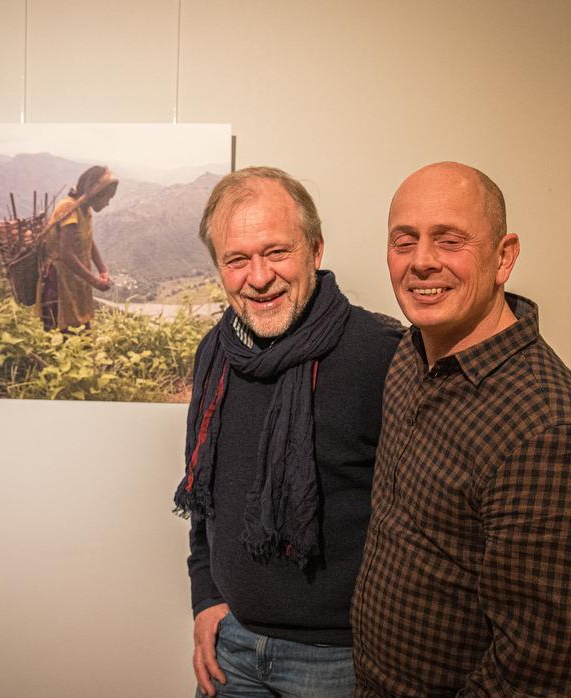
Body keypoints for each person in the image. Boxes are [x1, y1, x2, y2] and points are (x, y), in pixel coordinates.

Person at [352, 162, 571, 697]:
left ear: (504, 257)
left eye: (449, 240)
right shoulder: (412, 355)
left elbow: (535, 671)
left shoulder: (550, 432)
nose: (422, 262)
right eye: (403, 241)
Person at [173, 167, 402, 697]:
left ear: (315, 250)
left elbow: (420, 521)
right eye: (237, 259)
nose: (258, 277)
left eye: (277, 252)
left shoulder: (381, 355)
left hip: (340, 660)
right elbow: (203, 492)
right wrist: (206, 598)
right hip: (232, 649)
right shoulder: (216, 353)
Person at [37, 166, 117, 331]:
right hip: (59, 281)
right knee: (60, 333)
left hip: (76, 279)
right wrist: (95, 281)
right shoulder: (68, 208)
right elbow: (66, 254)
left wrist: (102, 269)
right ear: (96, 194)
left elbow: (88, 239)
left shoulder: (84, 209)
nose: (107, 203)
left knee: (80, 333)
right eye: (106, 198)